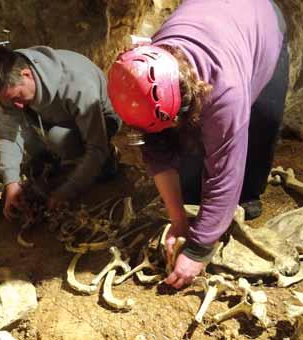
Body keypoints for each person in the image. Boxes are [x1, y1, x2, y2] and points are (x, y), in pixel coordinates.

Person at [108, 0, 289, 289]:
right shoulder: (143, 69)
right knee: (186, 149)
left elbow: (225, 169)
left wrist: (198, 249)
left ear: (187, 100)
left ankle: (250, 193)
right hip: (212, 20)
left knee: (261, 123)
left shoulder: (225, 91)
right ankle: (202, 207)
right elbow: (156, 147)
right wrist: (178, 219)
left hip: (261, 21)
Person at [0, 46, 121, 220]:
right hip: (53, 114)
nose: (17, 105)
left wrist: (67, 190)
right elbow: (8, 135)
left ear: (26, 74)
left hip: (101, 118)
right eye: (12, 100)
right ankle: (47, 160)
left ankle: (108, 159)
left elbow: (96, 146)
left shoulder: (77, 85)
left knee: (59, 139)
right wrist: (11, 182)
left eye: (17, 97)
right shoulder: (12, 77)